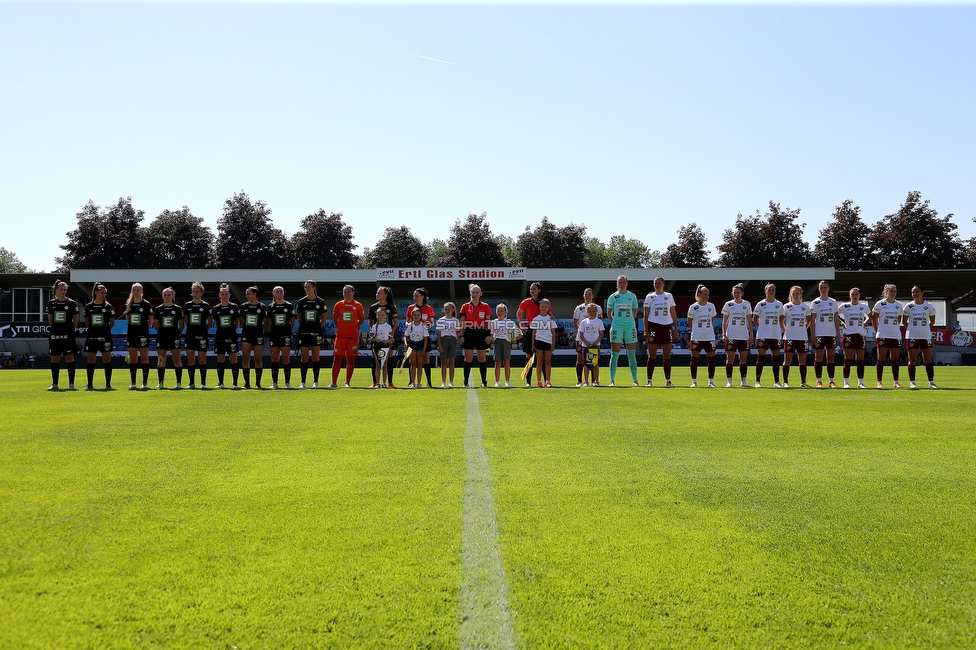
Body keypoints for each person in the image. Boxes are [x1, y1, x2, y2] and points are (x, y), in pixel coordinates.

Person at [643, 276, 678, 387]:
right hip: (653, 326)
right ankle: (649, 380)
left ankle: (668, 380)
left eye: (658, 283)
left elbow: (673, 313)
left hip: (666, 327)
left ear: (663, 284)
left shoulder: (669, 296)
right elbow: (646, 314)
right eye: (655, 283)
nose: (657, 285)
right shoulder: (649, 297)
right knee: (652, 354)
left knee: (667, 355)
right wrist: (646, 329)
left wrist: (675, 328)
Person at [605, 275, 640, 387]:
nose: (622, 284)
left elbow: (635, 312)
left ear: (627, 283)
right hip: (617, 327)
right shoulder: (613, 297)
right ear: (617, 284)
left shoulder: (632, 296)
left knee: (631, 354)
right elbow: (609, 313)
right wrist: (616, 322)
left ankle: (635, 380)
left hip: (630, 327)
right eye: (620, 282)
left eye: (624, 282)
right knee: (615, 355)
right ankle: (612, 380)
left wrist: (629, 321)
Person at [45, 280, 79, 390]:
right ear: (56, 290)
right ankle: (54, 384)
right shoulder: (51, 303)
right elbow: (50, 320)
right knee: (54, 359)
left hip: (68, 335)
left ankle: (71, 384)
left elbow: (76, 320)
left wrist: (69, 330)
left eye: (65, 289)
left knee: (69, 358)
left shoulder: (71, 303)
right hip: (55, 335)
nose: (63, 291)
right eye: (61, 289)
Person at [903, 285, 939, 389]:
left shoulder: (929, 306)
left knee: (928, 359)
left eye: (917, 292)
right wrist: (912, 329)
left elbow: (932, 321)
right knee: (912, 360)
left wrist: (924, 329)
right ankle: (912, 382)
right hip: (912, 336)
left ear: (922, 293)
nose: (915, 294)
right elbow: (904, 322)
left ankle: (931, 382)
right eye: (913, 292)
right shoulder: (908, 306)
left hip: (926, 336)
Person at [331, 284, 366, 388]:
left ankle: (347, 382)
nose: (346, 294)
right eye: (344, 291)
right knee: (337, 359)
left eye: (348, 291)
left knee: (350, 360)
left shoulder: (358, 305)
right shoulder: (338, 305)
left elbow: (362, 319)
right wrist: (341, 327)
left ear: (353, 293)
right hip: (341, 336)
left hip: (353, 337)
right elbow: (335, 318)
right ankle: (333, 382)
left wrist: (354, 326)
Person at [459, 284, 493, 388]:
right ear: (470, 293)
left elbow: (487, 321)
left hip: (481, 333)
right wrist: (461, 335)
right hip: (469, 333)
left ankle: (484, 382)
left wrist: (489, 335)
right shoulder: (465, 306)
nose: (475, 294)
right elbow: (462, 322)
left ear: (481, 293)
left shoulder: (485, 306)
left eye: (477, 292)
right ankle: (466, 382)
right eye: (473, 292)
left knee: (482, 359)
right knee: (468, 359)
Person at [871, 283, 904, 389]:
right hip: (882, 335)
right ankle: (879, 381)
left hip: (895, 335)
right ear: (885, 292)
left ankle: (896, 381)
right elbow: (874, 319)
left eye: (895, 291)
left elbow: (898, 320)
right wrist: (878, 331)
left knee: (895, 358)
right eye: (891, 291)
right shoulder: (880, 304)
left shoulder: (899, 305)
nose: (893, 293)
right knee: (881, 358)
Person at [295, 280, 328, 388]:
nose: (306, 289)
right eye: (305, 287)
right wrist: (305, 326)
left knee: (315, 357)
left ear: (314, 287)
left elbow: (323, 318)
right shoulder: (301, 302)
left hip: (316, 333)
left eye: (308, 286)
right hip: (303, 332)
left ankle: (315, 382)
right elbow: (299, 318)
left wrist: (317, 327)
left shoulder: (320, 302)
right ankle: (303, 382)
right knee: (304, 357)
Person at [809, 280, 841, 388]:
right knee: (818, 358)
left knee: (831, 358)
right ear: (819, 289)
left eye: (825, 287)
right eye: (821, 287)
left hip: (831, 334)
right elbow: (812, 321)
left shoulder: (833, 302)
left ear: (828, 288)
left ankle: (831, 381)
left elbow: (836, 319)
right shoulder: (815, 302)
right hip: (819, 334)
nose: (823, 289)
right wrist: (813, 335)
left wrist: (838, 333)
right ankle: (819, 381)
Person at [752, 283, 785, 388]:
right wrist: (761, 327)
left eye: (772, 290)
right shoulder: (761, 304)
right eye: (769, 290)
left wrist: (778, 326)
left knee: (776, 358)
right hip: (763, 335)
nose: (770, 292)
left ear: (775, 291)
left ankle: (777, 381)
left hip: (775, 335)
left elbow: (781, 317)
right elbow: (755, 318)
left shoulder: (779, 304)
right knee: (760, 358)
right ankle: (757, 381)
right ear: (765, 291)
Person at [83, 282, 115, 390]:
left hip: (105, 337)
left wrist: (104, 331)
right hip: (91, 338)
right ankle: (90, 384)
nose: (104, 295)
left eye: (105, 293)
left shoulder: (108, 306)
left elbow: (112, 323)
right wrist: (93, 331)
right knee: (91, 361)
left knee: (107, 360)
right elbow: (87, 322)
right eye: (102, 293)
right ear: (96, 292)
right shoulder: (89, 307)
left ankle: (108, 384)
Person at [721, 283, 752, 388]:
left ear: (742, 293)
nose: (736, 294)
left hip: (743, 336)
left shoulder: (747, 304)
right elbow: (724, 321)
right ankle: (729, 381)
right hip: (731, 335)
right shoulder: (728, 304)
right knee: (730, 359)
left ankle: (744, 381)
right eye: (734, 292)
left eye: (738, 292)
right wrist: (724, 334)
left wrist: (751, 334)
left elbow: (749, 320)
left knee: (743, 359)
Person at [838, 287, 870, 389]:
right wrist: (842, 322)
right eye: (852, 294)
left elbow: (871, 316)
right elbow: (835, 314)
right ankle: (846, 382)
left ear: (859, 295)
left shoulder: (863, 307)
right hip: (848, 334)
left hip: (860, 335)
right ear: (849, 295)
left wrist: (864, 323)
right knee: (848, 359)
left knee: (860, 359)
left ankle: (860, 382)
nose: (854, 296)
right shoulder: (845, 306)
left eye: (856, 294)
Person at [153, 287, 184, 389]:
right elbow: (156, 325)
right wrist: (163, 333)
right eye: (165, 295)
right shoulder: (158, 309)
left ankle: (178, 383)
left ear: (173, 296)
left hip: (174, 337)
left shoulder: (178, 309)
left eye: (169, 295)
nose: (167, 297)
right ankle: (161, 383)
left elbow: (181, 325)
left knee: (177, 360)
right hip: (162, 337)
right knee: (161, 360)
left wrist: (176, 334)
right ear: (162, 296)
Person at [124, 282, 154, 390]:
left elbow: (150, 320)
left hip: (143, 334)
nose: (136, 292)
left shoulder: (146, 304)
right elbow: (128, 318)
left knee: (145, 358)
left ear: (142, 291)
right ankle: (133, 383)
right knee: (132, 359)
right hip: (131, 334)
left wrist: (143, 329)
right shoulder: (129, 304)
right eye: (134, 290)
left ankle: (145, 383)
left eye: (138, 290)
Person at [781, 285, 811, 388]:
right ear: (791, 295)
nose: (795, 295)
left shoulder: (805, 307)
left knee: (802, 360)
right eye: (793, 293)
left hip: (802, 337)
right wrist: (785, 330)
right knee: (787, 360)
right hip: (789, 337)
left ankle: (803, 382)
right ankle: (785, 382)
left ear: (800, 294)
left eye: (797, 293)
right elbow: (781, 321)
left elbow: (809, 320)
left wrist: (804, 328)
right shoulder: (787, 306)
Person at [183, 281, 212, 389]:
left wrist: (203, 330)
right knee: (190, 360)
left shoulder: (205, 306)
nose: (195, 293)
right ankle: (191, 383)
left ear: (201, 292)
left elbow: (209, 321)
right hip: (190, 335)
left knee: (202, 360)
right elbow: (186, 321)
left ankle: (203, 383)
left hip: (202, 336)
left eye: (197, 291)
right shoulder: (187, 305)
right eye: (193, 291)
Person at [405, 288, 436, 388]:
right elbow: (407, 320)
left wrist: (428, 325)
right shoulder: (410, 308)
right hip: (413, 338)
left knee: (426, 360)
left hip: (424, 338)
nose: (415, 297)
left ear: (422, 297)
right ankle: (411, 382)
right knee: (412, 361)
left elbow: (432, 322)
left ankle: (428, 382)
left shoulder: (428, 308)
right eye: (414, 295)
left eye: (417, 295)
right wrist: (407, 324)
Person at [688, 284, 718, 388]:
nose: (707, 296)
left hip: (709, 336)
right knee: (695, 359)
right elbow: (690, 322)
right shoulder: (693, 307)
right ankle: (694, 381)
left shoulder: (711, 306)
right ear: (699, 294)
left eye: (708, 294)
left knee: (711, 359)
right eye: (705, 294)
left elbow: (712, 320)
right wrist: (697, 330)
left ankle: (711, 381)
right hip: (696, 336)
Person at [368, 286, 398, 388]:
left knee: (388, 361)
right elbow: (370, 322)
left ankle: (389, 382)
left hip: (387, 338)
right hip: (377, 339)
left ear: (386, 295)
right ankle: (375, 382)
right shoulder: (373, 307)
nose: (377, 294)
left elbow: (396, 322)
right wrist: (372, 333)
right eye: (377, 292)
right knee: (375, 360)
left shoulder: (391, 307)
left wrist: (391, 333)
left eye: (379, 292)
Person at [572, 288, 603, 387]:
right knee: (581, 359)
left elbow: (600, 321)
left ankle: (594, 380)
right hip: (581, 338)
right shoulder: (579, 308)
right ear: (583, 295)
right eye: (586, 294)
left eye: (589, 294)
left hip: (594, 339)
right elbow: (575, 322)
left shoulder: (598, 308)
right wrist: (583, 332)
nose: (588, 296)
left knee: (594, 360)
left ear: (593, 296)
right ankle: (580, 380)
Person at [212, 283, 240, 389]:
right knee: (220, 360)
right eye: (222, 294)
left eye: (226, 294)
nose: (224, 296)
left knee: (234, 359)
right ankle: (221, 383)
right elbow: (217, 323)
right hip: (220, 336)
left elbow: (237, 322)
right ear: (219, 295)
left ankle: (235, 383)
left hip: (231, 336)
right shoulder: (216, 309)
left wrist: (231, 331)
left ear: (229, 295)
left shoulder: (234, 307)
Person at [239, 286, 268, 389]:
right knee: (246, 359)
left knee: (258, 359)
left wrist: (259, 329)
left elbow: (266, 322)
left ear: (255, 294)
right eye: (246, 294)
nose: (247, 296)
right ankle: (247, 383)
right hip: (246, 335)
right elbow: (241, 321)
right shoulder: (244, 306)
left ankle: (258, 383)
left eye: (248, 293)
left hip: (258, 336)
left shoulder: (262, 307)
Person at [516, 282, 545, 386]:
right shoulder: (526, 302)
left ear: (539, 290)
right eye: (530, 289)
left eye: (534, 289)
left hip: (543, 331)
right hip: (531, 330)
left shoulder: (544, 302)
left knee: (543, 357)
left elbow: (549, 314)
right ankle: (528, 381)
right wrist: (521, 325)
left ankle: (546, 381)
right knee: (529, 356)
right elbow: (519, 313)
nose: (531, 291)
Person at [267, 285, 295, 389]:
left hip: (286, 335)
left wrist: (287, 330)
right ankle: (275, 383)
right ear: (273, 294)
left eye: (281, 291)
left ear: (283, 293)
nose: (279, 293)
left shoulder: (289, 306)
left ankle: (287, 383)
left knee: (286, 358)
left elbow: (292, 321)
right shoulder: (270, 307)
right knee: (274, 358)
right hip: (274, 335)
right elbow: (269, 322)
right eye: (277, 292)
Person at [490, 303, 521, 387]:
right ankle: (497, 381)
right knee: (497, 362)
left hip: (506, 342)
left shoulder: (509, 322)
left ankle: (507, 381)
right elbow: (491, 334)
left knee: (507, 362)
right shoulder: (494, 322)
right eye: (498, 311)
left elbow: (519, 334)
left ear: (505, 312)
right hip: (497, 342)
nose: (499, 312)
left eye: (501, 311)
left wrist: (513, 338)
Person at [577, 303, 605, 386]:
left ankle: (596, 380)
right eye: (590, 311)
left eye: (593, 311)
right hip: (586, 346)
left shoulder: (599, 322)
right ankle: (585, 381)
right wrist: (586, 342)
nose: (592, 313)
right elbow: (581, 334)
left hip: (596, 345)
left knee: (595, 363)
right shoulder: (583, 322)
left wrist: (597, 341)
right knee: (586, 363)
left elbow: (601, 333)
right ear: (586, 311)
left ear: (596, 311)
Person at [531, 298, 556, 387]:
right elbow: (534, 332)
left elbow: (553, 332)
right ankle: (539, 381)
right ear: (539, 307)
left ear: (548, 307)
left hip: (548, 341)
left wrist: (553, 344)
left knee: (548, 362)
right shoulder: (536, 319)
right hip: (539, 341)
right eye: (542, 306)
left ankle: (548, 381)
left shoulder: (551, 319)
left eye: (546, 307)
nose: (544, 308)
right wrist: (533, 345)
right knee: (539, 362)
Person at [403, 307, 429, 388]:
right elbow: (406, 336)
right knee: (413, 364)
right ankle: (412, 382)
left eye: (418, 315)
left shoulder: (423, 326)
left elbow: (425, 339)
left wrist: (424, 350)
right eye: (415, 315)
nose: (416, 316)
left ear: (421, 316)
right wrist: (406, 343)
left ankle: (419, 383)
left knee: (419, 364)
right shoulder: (410, 325)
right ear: (412, 316)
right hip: (412, 345)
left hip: (420, 345)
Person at [368, 308, 394, 388]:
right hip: (377, 346)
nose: (380, 316)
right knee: (377, 365)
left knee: (385, 364)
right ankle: (377, 383)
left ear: (385, 316)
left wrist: (387, 341)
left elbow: (391, 338)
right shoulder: (374, 326)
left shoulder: (388, 326)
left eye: (382, 314)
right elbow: (372, 337)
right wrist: (376, 339)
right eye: (378, 314)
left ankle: (384, 382)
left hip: (385, 346)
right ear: (376, 316)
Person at [436, 302, 460, 388]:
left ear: (453, 310)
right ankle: (443, 381)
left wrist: (459, 339)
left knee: (451, 362)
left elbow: (457, 333)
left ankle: (451, 381)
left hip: (452, 340)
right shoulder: (441, 320)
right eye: (446, 309)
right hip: (444, 340)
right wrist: (440, 345)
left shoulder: (456, 320)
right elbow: (438, 334)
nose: (447, 311)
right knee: (443, 362)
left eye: (449, 309)